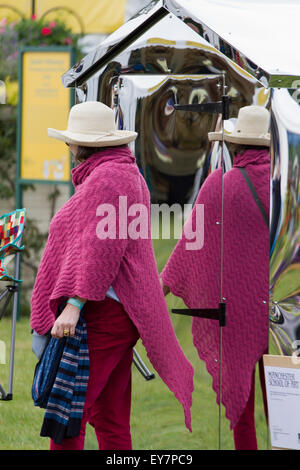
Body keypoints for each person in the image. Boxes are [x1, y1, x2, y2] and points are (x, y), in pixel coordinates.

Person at [30, 101, 194, 450]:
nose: (69, 148)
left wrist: (73, 304)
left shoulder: (108, 178)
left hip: (105, 311)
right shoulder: (122, 172)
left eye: (70, 142)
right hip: (118, 311)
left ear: (83, 145)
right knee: (110, 417)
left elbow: (104, 248)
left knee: (69, 416)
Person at [160, 105, 270, 450]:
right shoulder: (289, 187)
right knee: (287, 402)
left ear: (234, 147)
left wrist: (155, 292)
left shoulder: (221, 186)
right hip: (283, 312)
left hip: (238, 313)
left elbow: (188, 250)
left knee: (243, 410)